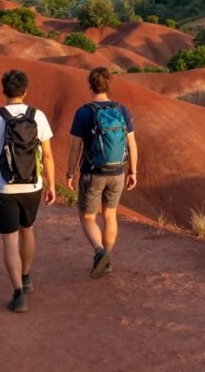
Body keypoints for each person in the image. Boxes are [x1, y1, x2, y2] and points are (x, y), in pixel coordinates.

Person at [0, 69, 56, 313]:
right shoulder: (38, 116)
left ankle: (18, 294)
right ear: (25, 91)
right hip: (33, 185)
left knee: (10, 238)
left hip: (5, 188)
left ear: (4, 90)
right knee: (28, 229)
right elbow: (48, 155)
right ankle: (26, 276)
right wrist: (51, 185)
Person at [66, 67, 138, 278]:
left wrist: (70, 173)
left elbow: (75, 147)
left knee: (88, 216)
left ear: (90, 86)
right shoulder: (122, 110)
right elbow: (132, 144)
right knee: (110, 214)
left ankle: (99, 252)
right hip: (117, 172)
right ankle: (107, 261)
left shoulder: (83, 112)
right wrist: (133, 171)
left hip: (92, 173)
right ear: (109, 85)